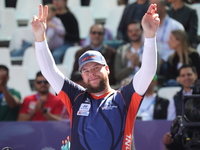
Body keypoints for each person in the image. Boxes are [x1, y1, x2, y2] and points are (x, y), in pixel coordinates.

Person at [31, 3, 159, 149]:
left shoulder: (125, 97)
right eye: (85, 70)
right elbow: (49, 71)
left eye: (96, 67)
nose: (91, 72)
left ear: (107, 69)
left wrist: (149, 35)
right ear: (82, 76)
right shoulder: (76, 96)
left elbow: (148, 71)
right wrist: (39, 37)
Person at [149, 0, 184, 75]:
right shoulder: (148, 26)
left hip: (169, 61)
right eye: (150, 6)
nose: (152, 9)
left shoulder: (176, 26)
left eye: (155, 6)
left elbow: (181, 47)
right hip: (152, 61)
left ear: (163, 8)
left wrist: (164, 59)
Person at [115, 20, 144, 85]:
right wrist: (131, 67)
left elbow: (155, 73)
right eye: (130, 31)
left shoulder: (150, 49)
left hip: (145, 84)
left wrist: (138, 63)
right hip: (125, 85)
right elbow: (117, 75)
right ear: (127, 33)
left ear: (142, 31)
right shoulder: (122, 50)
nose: (134, 33)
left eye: (136, 30)